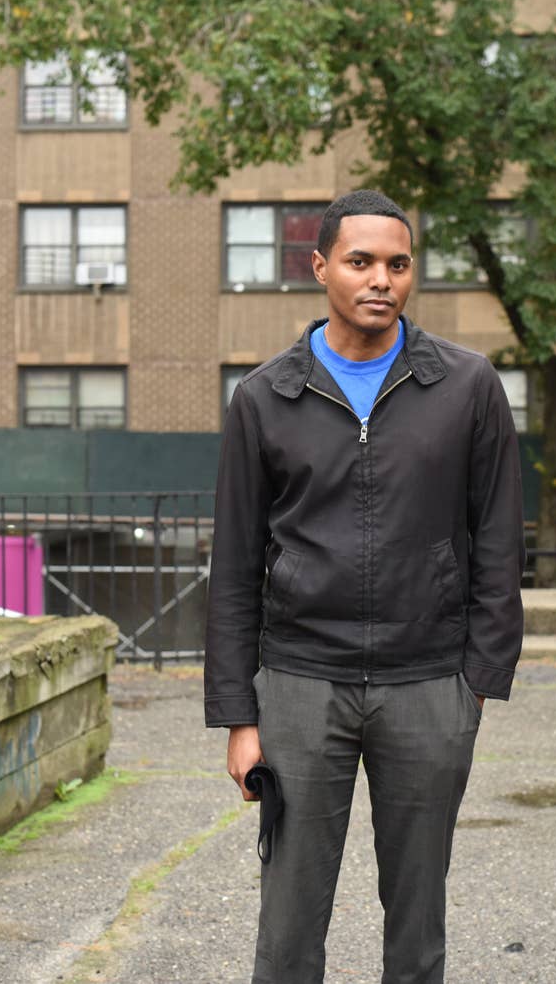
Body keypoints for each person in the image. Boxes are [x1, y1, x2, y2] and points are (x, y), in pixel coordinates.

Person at [204, 189, 526, 984]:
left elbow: (498, 538)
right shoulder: (263, 399)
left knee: (418, 927)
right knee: (286, 929)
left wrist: (476, 685)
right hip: (299, 684)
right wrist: (239, 719)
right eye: (360, 262)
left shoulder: (467, 387)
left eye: (397, 264)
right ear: (320, 268)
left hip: (428, 687)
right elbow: (236, 565)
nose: (380, 279)